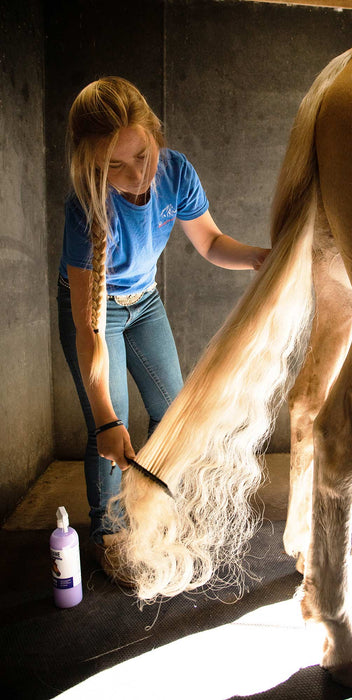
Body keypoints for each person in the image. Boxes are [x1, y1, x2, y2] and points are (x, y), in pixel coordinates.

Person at [57, 76, 270, 579]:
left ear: (155, 135)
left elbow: (213, 243)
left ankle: (152, 514)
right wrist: (108, 421)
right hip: (97, 310)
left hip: (145, 302)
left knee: (171, 411)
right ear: (92, 164)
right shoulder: (84, 210)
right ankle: (108, 533)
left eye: (143, 154)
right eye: (116, 165)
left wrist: (260, 258)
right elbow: (89, 331)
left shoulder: (175, 173)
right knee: (108, 426)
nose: (138, 175)